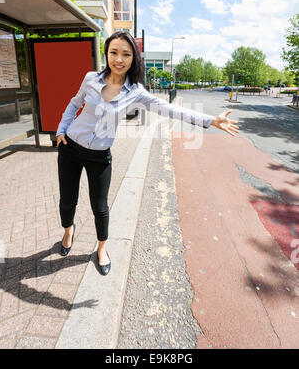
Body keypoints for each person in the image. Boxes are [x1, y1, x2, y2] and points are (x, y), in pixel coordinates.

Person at [56, 31, 239, 276]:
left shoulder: (136, 91)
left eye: (125, 54)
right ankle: (68, 231)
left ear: (133, 58)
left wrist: (209, 120)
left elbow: (170, 110)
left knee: (100, 206)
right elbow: (73, 103)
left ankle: (101, 248)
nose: (118, 59)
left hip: (99, 155)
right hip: (70, 149)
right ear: (106, 53)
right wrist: (61, 130)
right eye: (113, 52)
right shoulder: (91, 78)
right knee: (68, 200)